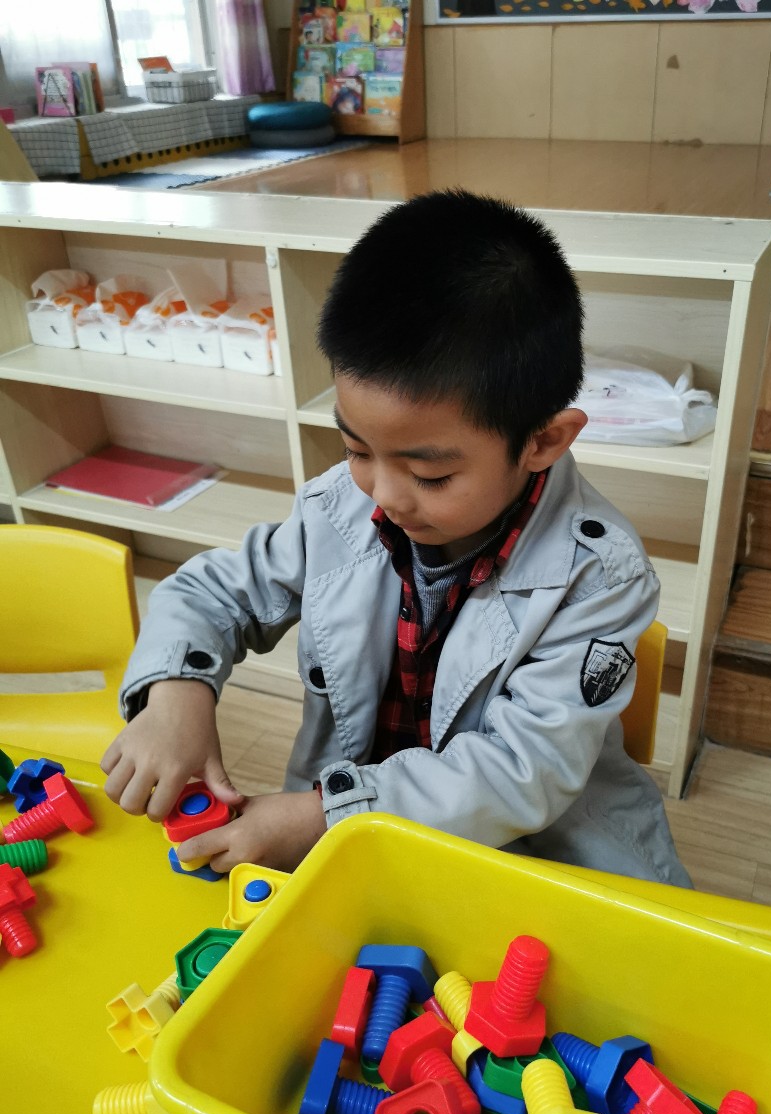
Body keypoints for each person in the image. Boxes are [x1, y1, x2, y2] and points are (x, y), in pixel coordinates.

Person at [101, 189, 691, 887]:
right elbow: (209, 594)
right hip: (356, 836)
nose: (382, 494)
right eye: (356, 449)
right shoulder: (339, 508)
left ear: (542, 441)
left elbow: (519, 773)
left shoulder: (599, 576)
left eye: (430, 474)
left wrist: (319, 819)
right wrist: (175, 696)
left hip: (528, 857)